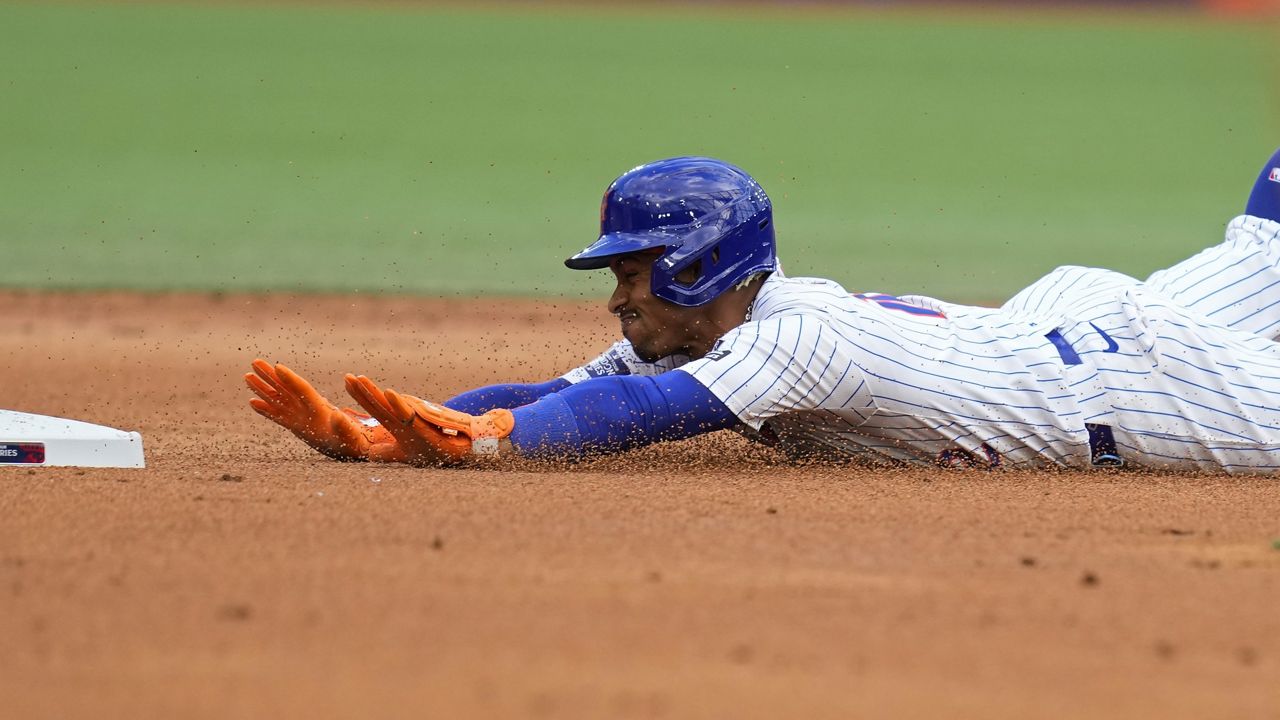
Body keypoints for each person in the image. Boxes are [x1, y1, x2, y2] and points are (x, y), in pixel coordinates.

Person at [247, 151, 1280, 474]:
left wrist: (493, 441)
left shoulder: (792, 341)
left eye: (635, 271)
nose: (617, 297)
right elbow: (551, 392)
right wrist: (383, 434)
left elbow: (631, 417)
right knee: (1264, 250)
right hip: (1060, 324)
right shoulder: (714, 330)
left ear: (704, 266)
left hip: (1145, 386)